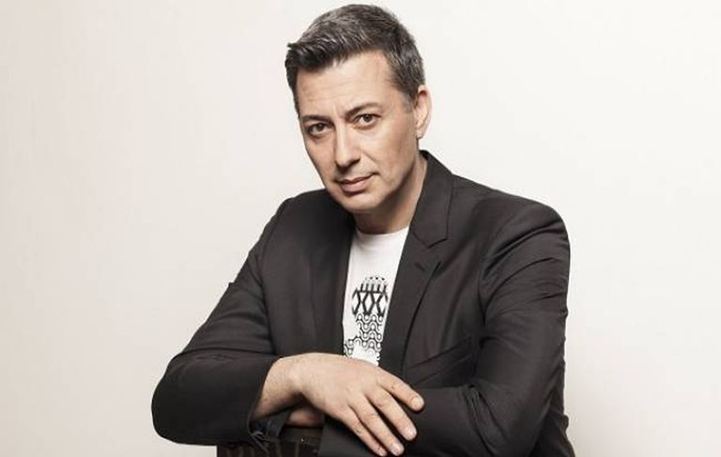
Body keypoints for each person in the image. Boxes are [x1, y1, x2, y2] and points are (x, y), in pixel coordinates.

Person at [151, 4, 575, 457]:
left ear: (418, 110)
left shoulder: (515, 235)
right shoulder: (293, 228)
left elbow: (498, 430)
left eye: (364, 119)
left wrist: (306, 409)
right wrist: (305, 375)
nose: (343, 154)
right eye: (319, 128)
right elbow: (179, 398)